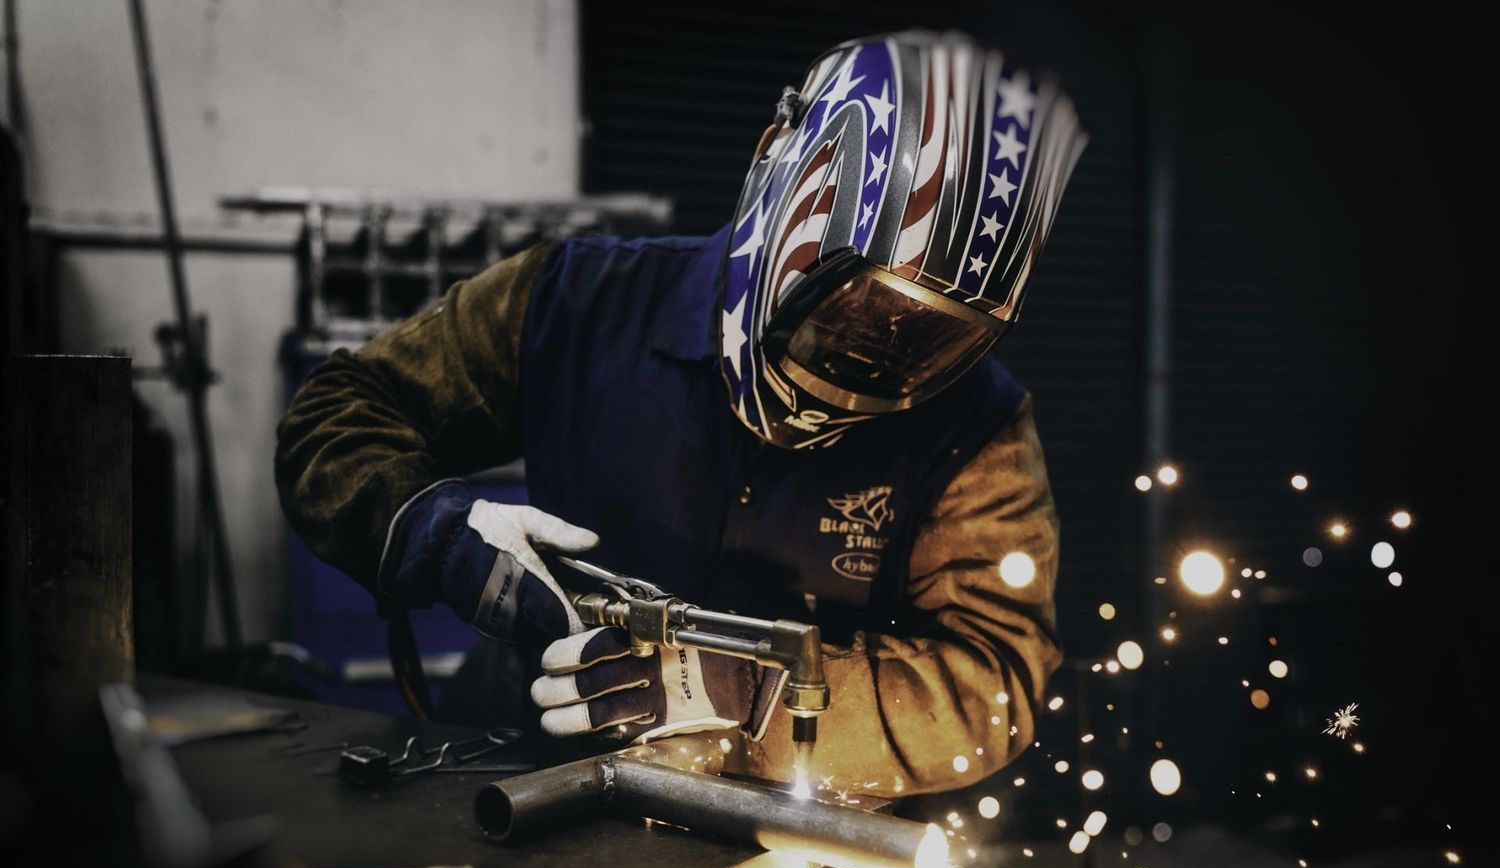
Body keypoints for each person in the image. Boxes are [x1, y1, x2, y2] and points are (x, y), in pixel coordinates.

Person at [275, 29, 1086, 798]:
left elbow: (996, 679)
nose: (877, 357)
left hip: (802, 828)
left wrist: (756, 697)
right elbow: (334, 415)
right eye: (854, 312)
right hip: (538, 773)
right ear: (782, 168)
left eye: (931, 342)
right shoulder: (572, 300)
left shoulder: (978, 425)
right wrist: (441, 536)